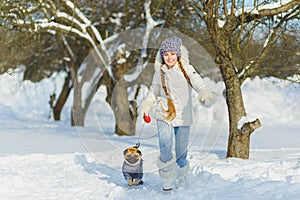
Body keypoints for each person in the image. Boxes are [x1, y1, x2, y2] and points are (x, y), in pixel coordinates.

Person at [139, 37, 214, 191]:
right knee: (165, 145)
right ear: (162, 56)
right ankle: (167, 178)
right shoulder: (159, 71)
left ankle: (181, 174)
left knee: (181, 150)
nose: (169, 57)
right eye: (166, 54)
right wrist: (147, 106)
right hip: (164, 112)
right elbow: (154, 91)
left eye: (173, 53)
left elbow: (198, 82)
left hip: (183, 114)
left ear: (178, 54)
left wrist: (204, 93)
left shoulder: (187, 68)